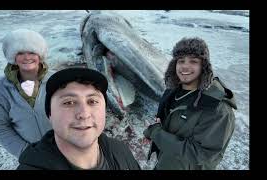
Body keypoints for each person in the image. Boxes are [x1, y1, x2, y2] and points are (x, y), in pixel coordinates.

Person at [17, 68, 141, 170]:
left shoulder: (120, 150)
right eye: (69, 102)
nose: (84, 114)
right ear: (50, 114)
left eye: (92, 101)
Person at [143, 37, 237, 170]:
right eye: (181, 61)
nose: (185, 66)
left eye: (193, 61)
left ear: (204, 66)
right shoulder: (172, 91)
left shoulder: (218, 109)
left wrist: (156, 133)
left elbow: (201, 155)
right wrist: (155, 131)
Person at [0, 29, 52, 158]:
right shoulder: (0, 91)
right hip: (32, 156)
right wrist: (25, 152)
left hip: (66, 149)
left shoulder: (57, 81)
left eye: (32, 52)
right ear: (12, 56)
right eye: (20, 53)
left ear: (40, 55)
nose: (27, 57)